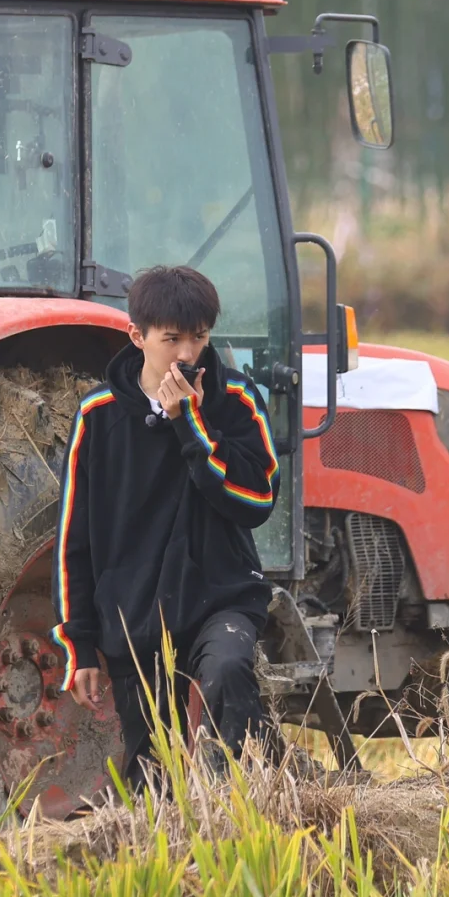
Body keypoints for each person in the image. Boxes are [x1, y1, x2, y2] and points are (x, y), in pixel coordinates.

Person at [51, 264, 280, 791]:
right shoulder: (97, 415)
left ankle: (248, 809)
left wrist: (189, 423)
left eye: (198, 337)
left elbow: (256, 500)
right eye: (171, 339)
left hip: (221, 599)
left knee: (228, 672)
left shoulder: (237, 401)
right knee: (152, 778)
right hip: (133, 619)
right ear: (137, 336)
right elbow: (73, 541)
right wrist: (79, 644)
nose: (186, 354)